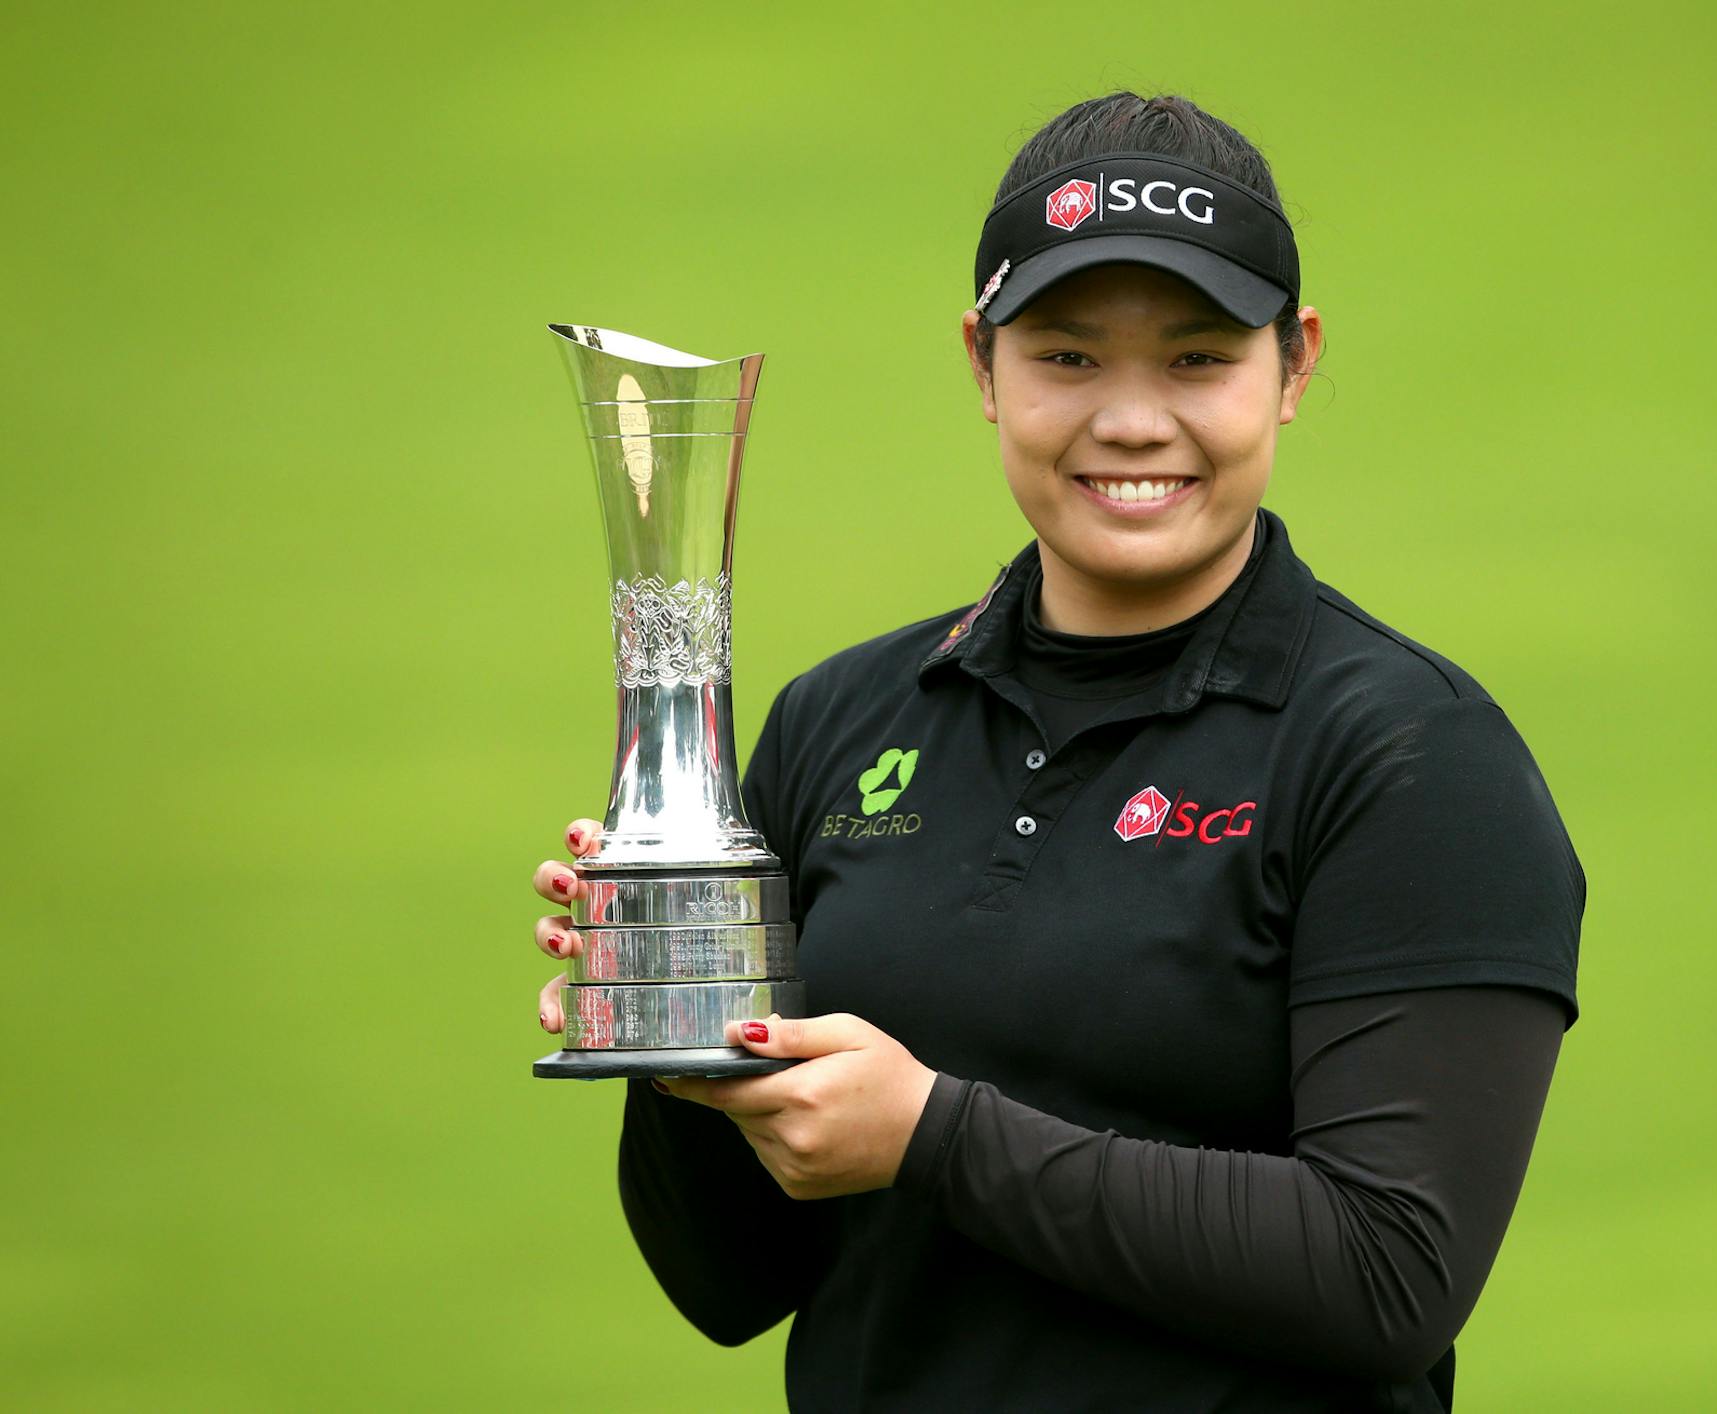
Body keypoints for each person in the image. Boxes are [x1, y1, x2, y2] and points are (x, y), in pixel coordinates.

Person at [529, 92, 1585, 1413]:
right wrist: (682, 1049)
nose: (1132, 421)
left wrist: (931, 1132)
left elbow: (1386, 1276)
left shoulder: (1408, 755)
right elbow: (729, 1286)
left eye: (1198, 358)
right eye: (1068, 358)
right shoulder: (843, 722)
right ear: (982, 364)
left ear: (1295, 362)